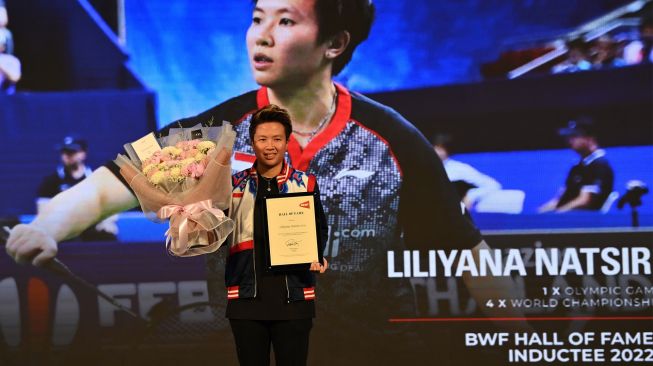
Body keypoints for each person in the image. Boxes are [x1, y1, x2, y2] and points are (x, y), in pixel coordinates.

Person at [7, 0, 525, 362]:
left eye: (285, 20)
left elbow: (467, 253)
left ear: (334, 42)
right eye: (257, 18)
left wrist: (524, 342)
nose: (263, 34)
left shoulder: (391, 139)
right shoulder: (216, 136)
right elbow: (106, 187)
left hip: (371, 353)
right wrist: (48, 226)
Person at [226, 104, 328, 365]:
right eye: (262, 139)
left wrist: (318, 255)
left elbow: (319, 229)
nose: (269, 146)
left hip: (293, 300)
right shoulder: (231, 186)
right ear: (252, 142)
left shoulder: (305, 183)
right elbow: (214, 233)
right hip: (246, 300)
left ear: (287, 142)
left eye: (277, 139)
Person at [36, 136, 118, 241]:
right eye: (64, 152)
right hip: (63, 233)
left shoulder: (97, 178)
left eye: (72, 152)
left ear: (83, 154)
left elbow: (111, 207)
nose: (67, 156)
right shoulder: (50, 182)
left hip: (92, 231)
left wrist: (107, 225)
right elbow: (43, 213)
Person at [538, 117, 614, 212]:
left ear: (590, 139)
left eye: (575, 136)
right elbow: (559, 200)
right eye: (568, 137)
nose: (570, 140)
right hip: (565, 218)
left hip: (585, 222)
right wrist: (540, 214)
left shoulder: (599, 165)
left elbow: (585, 201)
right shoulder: (577, 168)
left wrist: (558, 214)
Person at [432, 133, 502, 210]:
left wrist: (471, 196)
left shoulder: (459, 168)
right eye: (435, 148)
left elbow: (493, 185)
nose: (436, 152)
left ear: (448, 151)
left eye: (441, 148)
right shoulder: (424, 167)